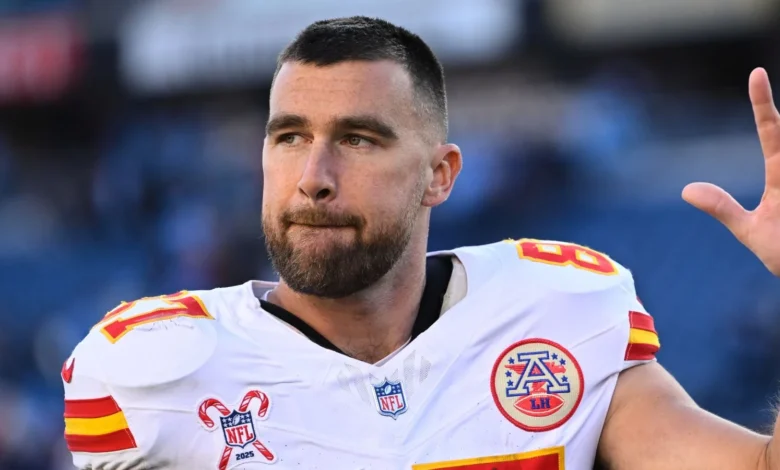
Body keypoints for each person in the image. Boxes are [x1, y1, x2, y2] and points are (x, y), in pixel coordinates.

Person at [61, 16, 780, 470]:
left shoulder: (558, 311)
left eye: (358, 139)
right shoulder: (156, 369)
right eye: (290, 138)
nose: (313, 178)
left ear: (440, 175)